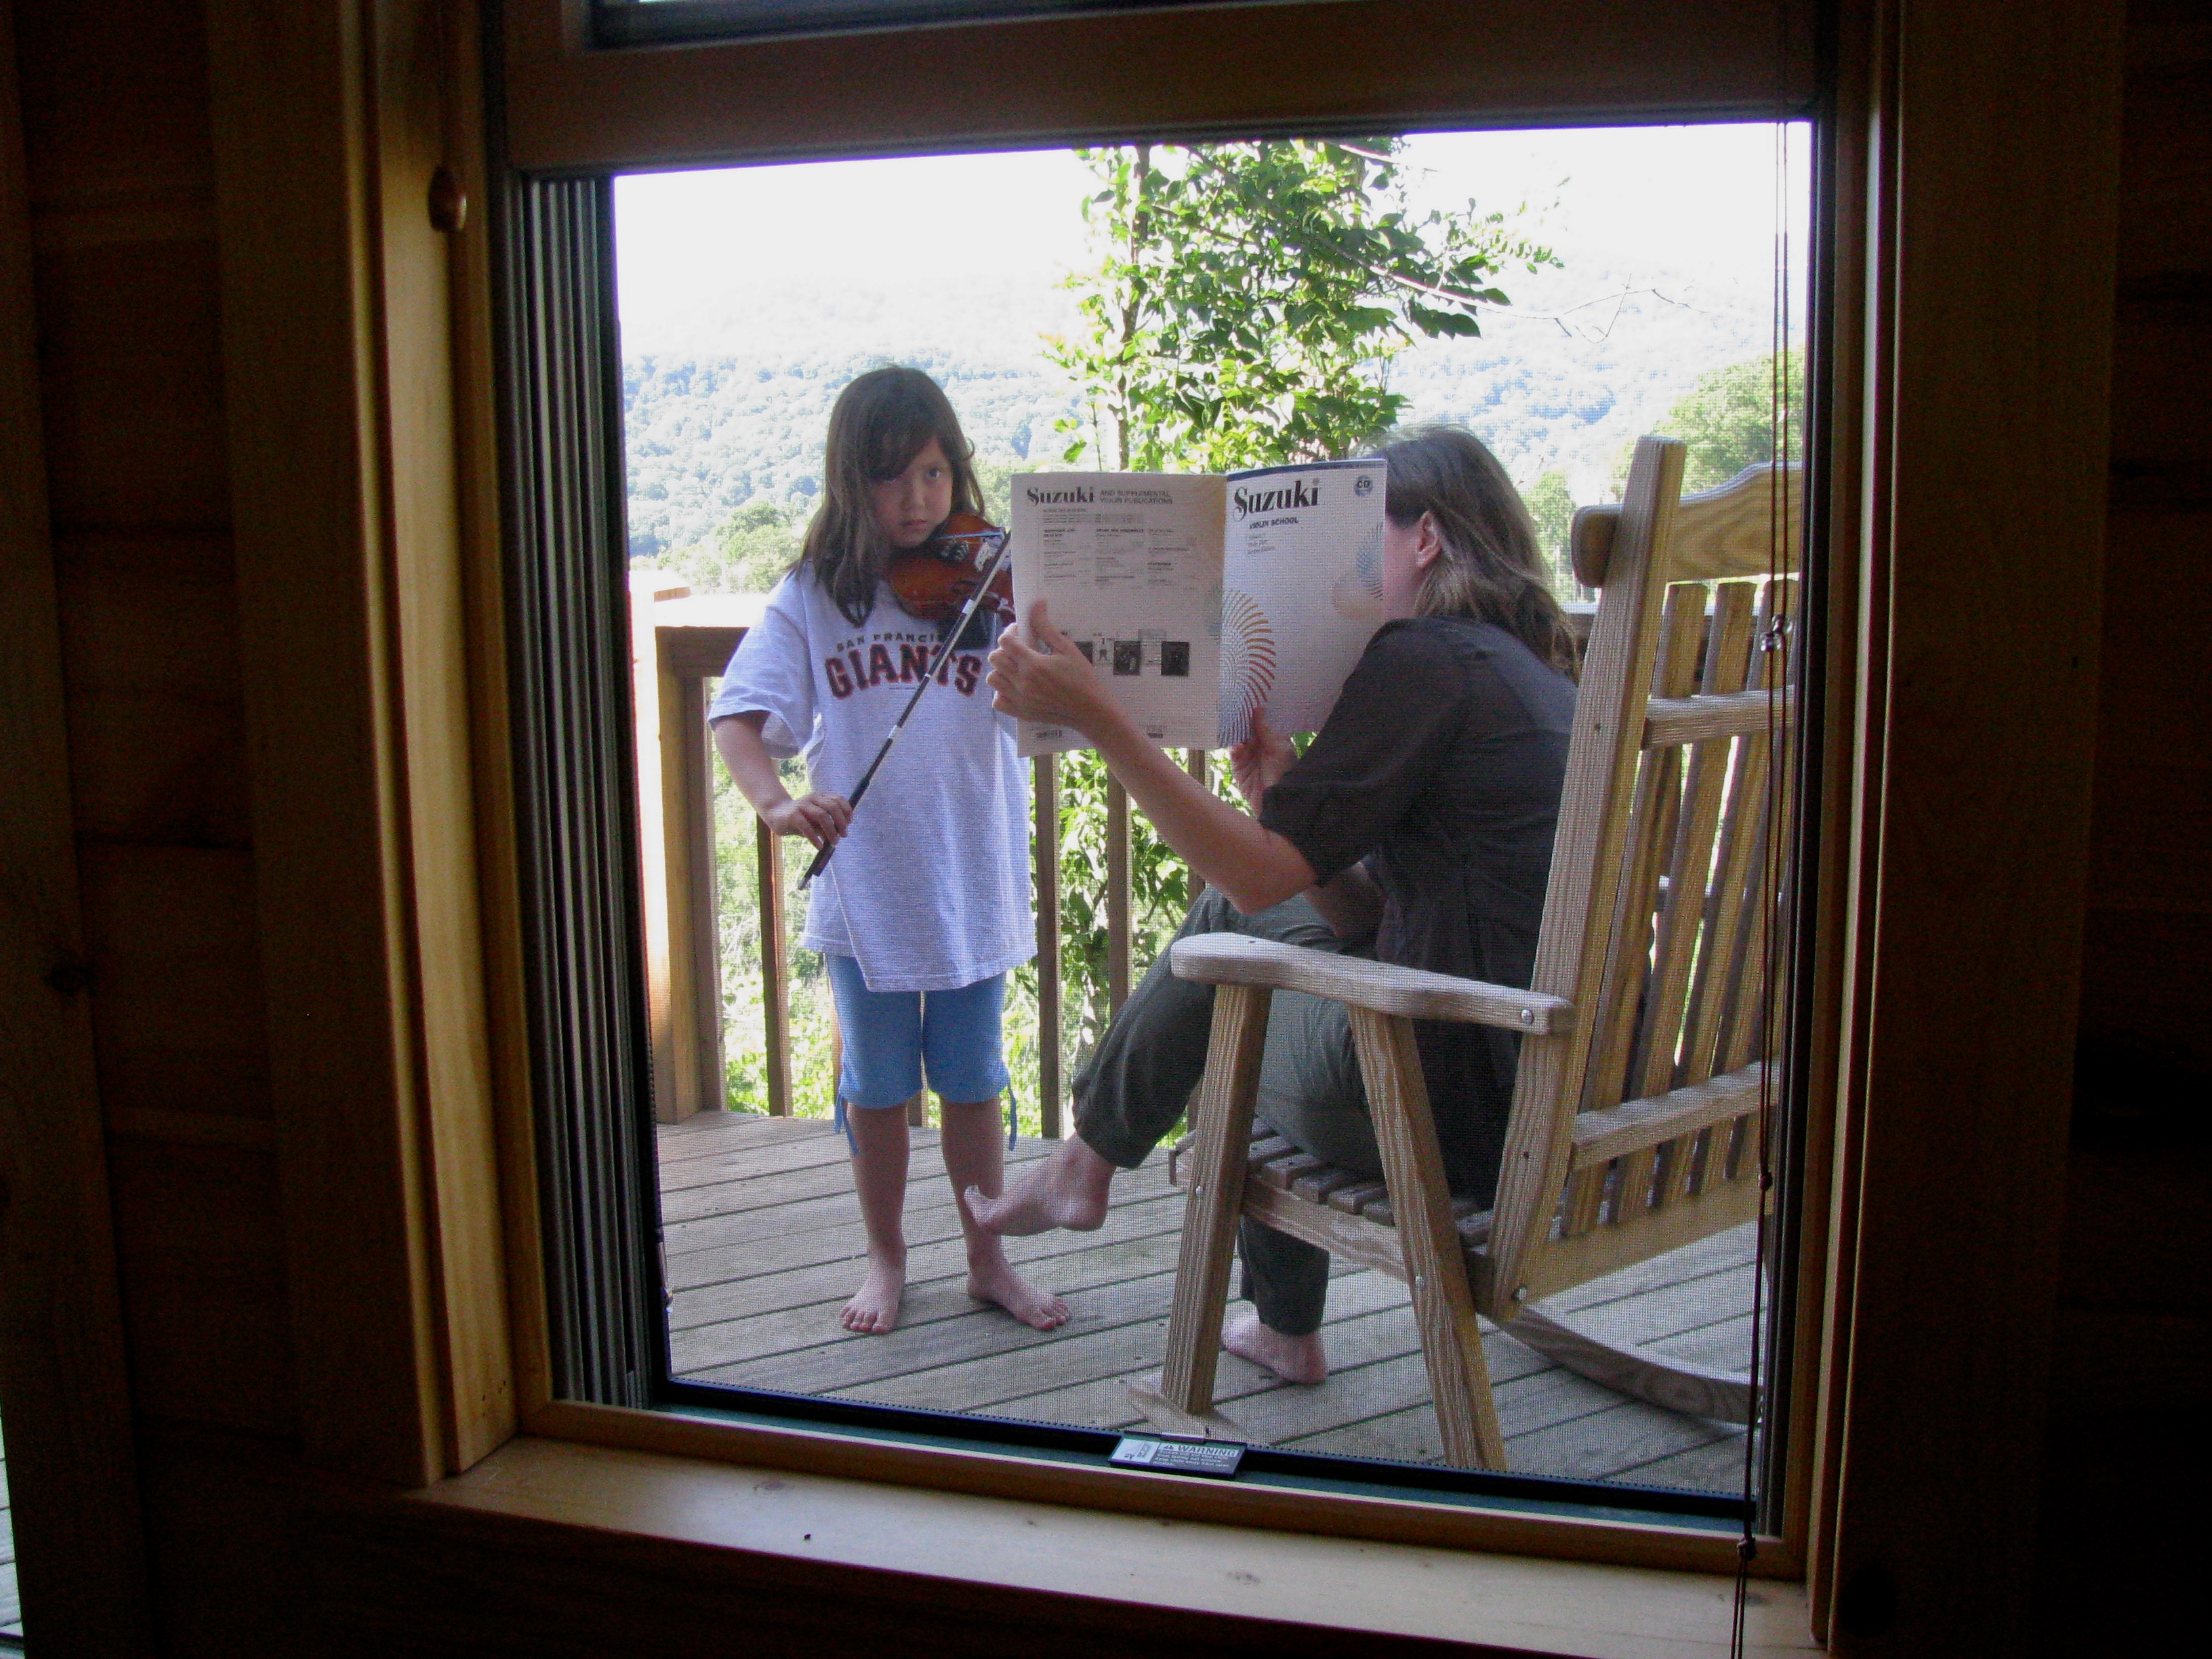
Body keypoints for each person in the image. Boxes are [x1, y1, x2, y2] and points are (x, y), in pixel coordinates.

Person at [973, 426, 1577, 1383]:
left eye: (1367, 535)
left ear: (1425, 539)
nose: (1352, 569)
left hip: (1450, 1106)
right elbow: (1357, 918)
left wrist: (1100, 718)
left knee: (1232, 998)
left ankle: (1098, 1177)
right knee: (1239, 931)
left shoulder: (1423, 658)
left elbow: (1258, 878)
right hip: (1540, 1083)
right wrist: (1274, 800)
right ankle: (1216, 1275)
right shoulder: (1521, 673)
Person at [710, 367, 1069, 1337]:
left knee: (974, 1081)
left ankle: (987, 1260)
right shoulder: (817, 596)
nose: (917, 500)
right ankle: (887, 1254)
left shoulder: (993, 583)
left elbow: (1063, 694)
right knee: (875, 1088)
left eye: (934, 473)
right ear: (850, 482)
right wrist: (775, 802)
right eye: (891, 477)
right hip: (868, 892)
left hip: (971, 879)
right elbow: (739, 716)